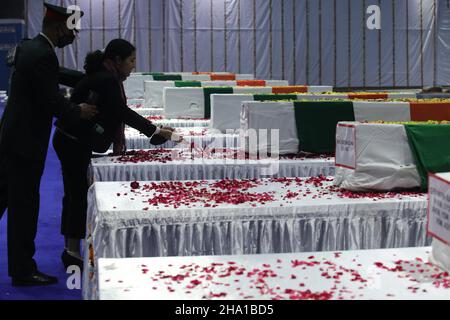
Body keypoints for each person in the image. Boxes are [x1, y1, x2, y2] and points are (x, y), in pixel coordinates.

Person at [52, 39, 181, 270]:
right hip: (72, 142)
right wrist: (154, 131)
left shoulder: (102, 74)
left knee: (72, 194)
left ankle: (70, 249)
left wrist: (155, 130)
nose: (133, 66)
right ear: (117, 60)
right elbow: (121, 112)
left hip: (68, 139)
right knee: (77, 195)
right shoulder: (107, 79)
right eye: (131, 60)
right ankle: (72, 251)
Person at [0, 3, 98, 286]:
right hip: (25, 144)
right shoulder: (42, 54)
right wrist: (79, 110)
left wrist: (84, 79)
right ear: (58, 28)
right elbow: (51, 99)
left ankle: (21, 266)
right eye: (72, 31)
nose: (74, 37)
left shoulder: (32, 48)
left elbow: (54, 74)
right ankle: (22, 269)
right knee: (24, 207)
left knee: (7, 197)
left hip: (13, 138)